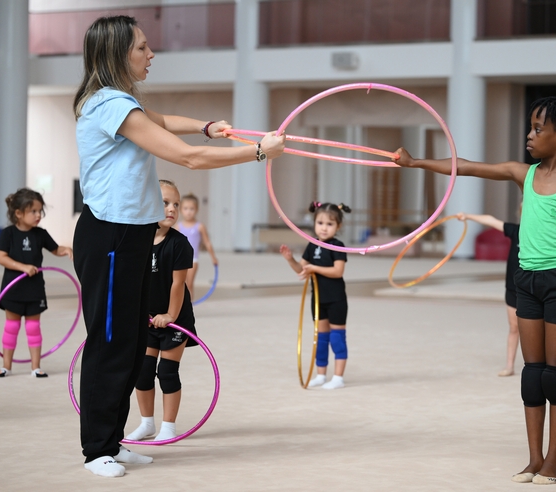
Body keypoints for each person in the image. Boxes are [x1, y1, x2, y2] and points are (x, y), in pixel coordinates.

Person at [72, 15, 285, 478]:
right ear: (117, 54)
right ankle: (96, 450)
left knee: (132, 343)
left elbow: (165, 122)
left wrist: (208, 126)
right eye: (142, 48)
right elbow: (186, 157)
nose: (151, 54)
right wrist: (259, 152)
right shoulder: (108, 103)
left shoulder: (125, 103)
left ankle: (113, 441)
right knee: (110, 343)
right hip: (108, 236)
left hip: (133, 235)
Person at [394, 96, 556, 485]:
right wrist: (416, 163)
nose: (529, 135)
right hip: (526, 281)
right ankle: (534, 459)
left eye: (538, 129)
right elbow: (467, 167)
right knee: (532, 376)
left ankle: (553, 460)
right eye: (530, 127)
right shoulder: (522, 174)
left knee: (554, 376)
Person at [126, 180, 197, 442]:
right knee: (143, 371)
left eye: (176, 204)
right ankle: (147, 423)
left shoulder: (179, 244)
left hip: (175, 318)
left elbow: (178, 285)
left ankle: (169, 426)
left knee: (167, 371)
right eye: (165, 203)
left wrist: (170, 316)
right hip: (146, 318)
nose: (172, 209)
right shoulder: (136, 242)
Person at [0, 188, 73, 378]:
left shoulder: (40, 234)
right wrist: (23, 267)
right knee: (11, 326)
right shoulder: (8, 234)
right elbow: (1, 257)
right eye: (33, 211)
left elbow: (55, 249)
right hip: (13, 289)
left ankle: (35, 367)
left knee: (33, 327)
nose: (38, 215)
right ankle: (6, 366)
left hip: (34, 289)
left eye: (40, 211)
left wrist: (66, 250)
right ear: (18, 213)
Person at [280, 202, 351, 390]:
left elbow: (338, 271)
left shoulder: (338, 246)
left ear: (338, 226)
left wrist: (314, 268)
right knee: (320, 339)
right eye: (320, 223)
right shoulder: (312, 245)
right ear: (314, 224)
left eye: (329, 224)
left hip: (336, 300)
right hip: (318, 300)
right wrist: (290, 259)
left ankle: (338, 378)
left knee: (337, 338)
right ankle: (320, 375)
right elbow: (301, 270)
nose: (324, 228)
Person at [455, 210, 520, 377]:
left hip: (533, 289)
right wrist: (467, 216)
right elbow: (490, 220)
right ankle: (510, 366)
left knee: (538, 328)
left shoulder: (542, 234)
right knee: (514, 327)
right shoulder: (516, 231)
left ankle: (545, 365)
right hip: (513, 287)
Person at [175, 193, 217, 298]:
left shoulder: (200, 226)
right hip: (179, 259)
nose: (188, 212)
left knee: (189, 284)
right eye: (185, 209)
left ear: (197, 209)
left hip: (193, 259)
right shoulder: (178, 227)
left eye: (191, 209)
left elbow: (207, 242)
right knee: (179, 284)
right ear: (181, 210)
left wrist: (213, 258)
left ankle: (189, 304)